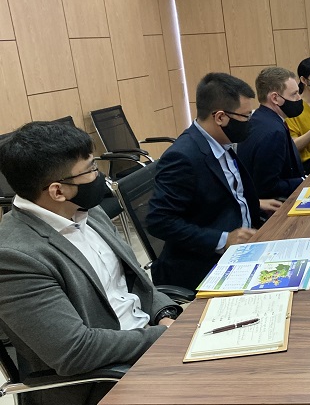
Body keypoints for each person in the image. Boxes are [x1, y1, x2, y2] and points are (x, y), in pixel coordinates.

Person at [0, 121, 180, 405]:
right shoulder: (14, 256)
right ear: (58, 191)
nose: (101, 178)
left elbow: (133, 282)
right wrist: (162, 336)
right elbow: (74, 351)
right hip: (103, 381)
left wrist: (164, 314)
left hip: (148, 346)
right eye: (91, 170)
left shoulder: (86, 211)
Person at [147, 72, 281, 290]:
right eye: (246, 116)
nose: (250, 123)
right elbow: (159, 221)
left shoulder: (222, 142)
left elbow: (214, 195)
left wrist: (254, 203)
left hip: (245, 247)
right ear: (220, 117)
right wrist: (223, 239)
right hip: (205, 265)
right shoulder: (182, 157)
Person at [237, 67, 306, 200]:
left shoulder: (260, 118)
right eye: (294, 94)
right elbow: (268, 187)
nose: (299, 98)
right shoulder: (274, 132)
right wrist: (302, 181)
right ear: (275, 98)